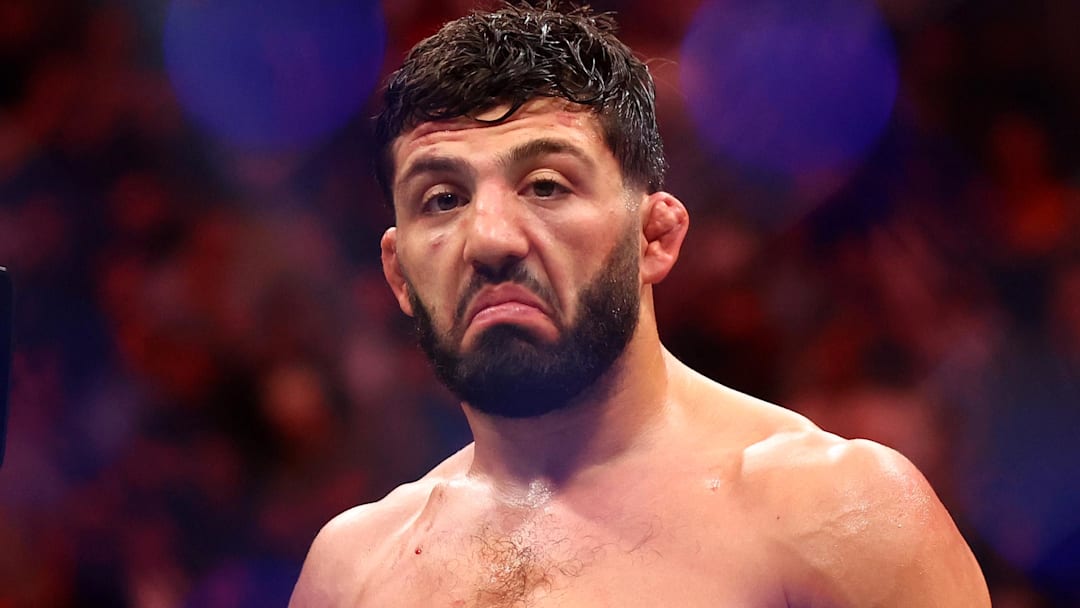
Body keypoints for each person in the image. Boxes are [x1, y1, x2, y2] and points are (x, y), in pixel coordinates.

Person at [290, 2, 991, 606]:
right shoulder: (352, 573)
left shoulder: (837, 518)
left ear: (655, 235)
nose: (490, 239)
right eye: (442, 199)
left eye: (545, 186)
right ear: (399, 275)